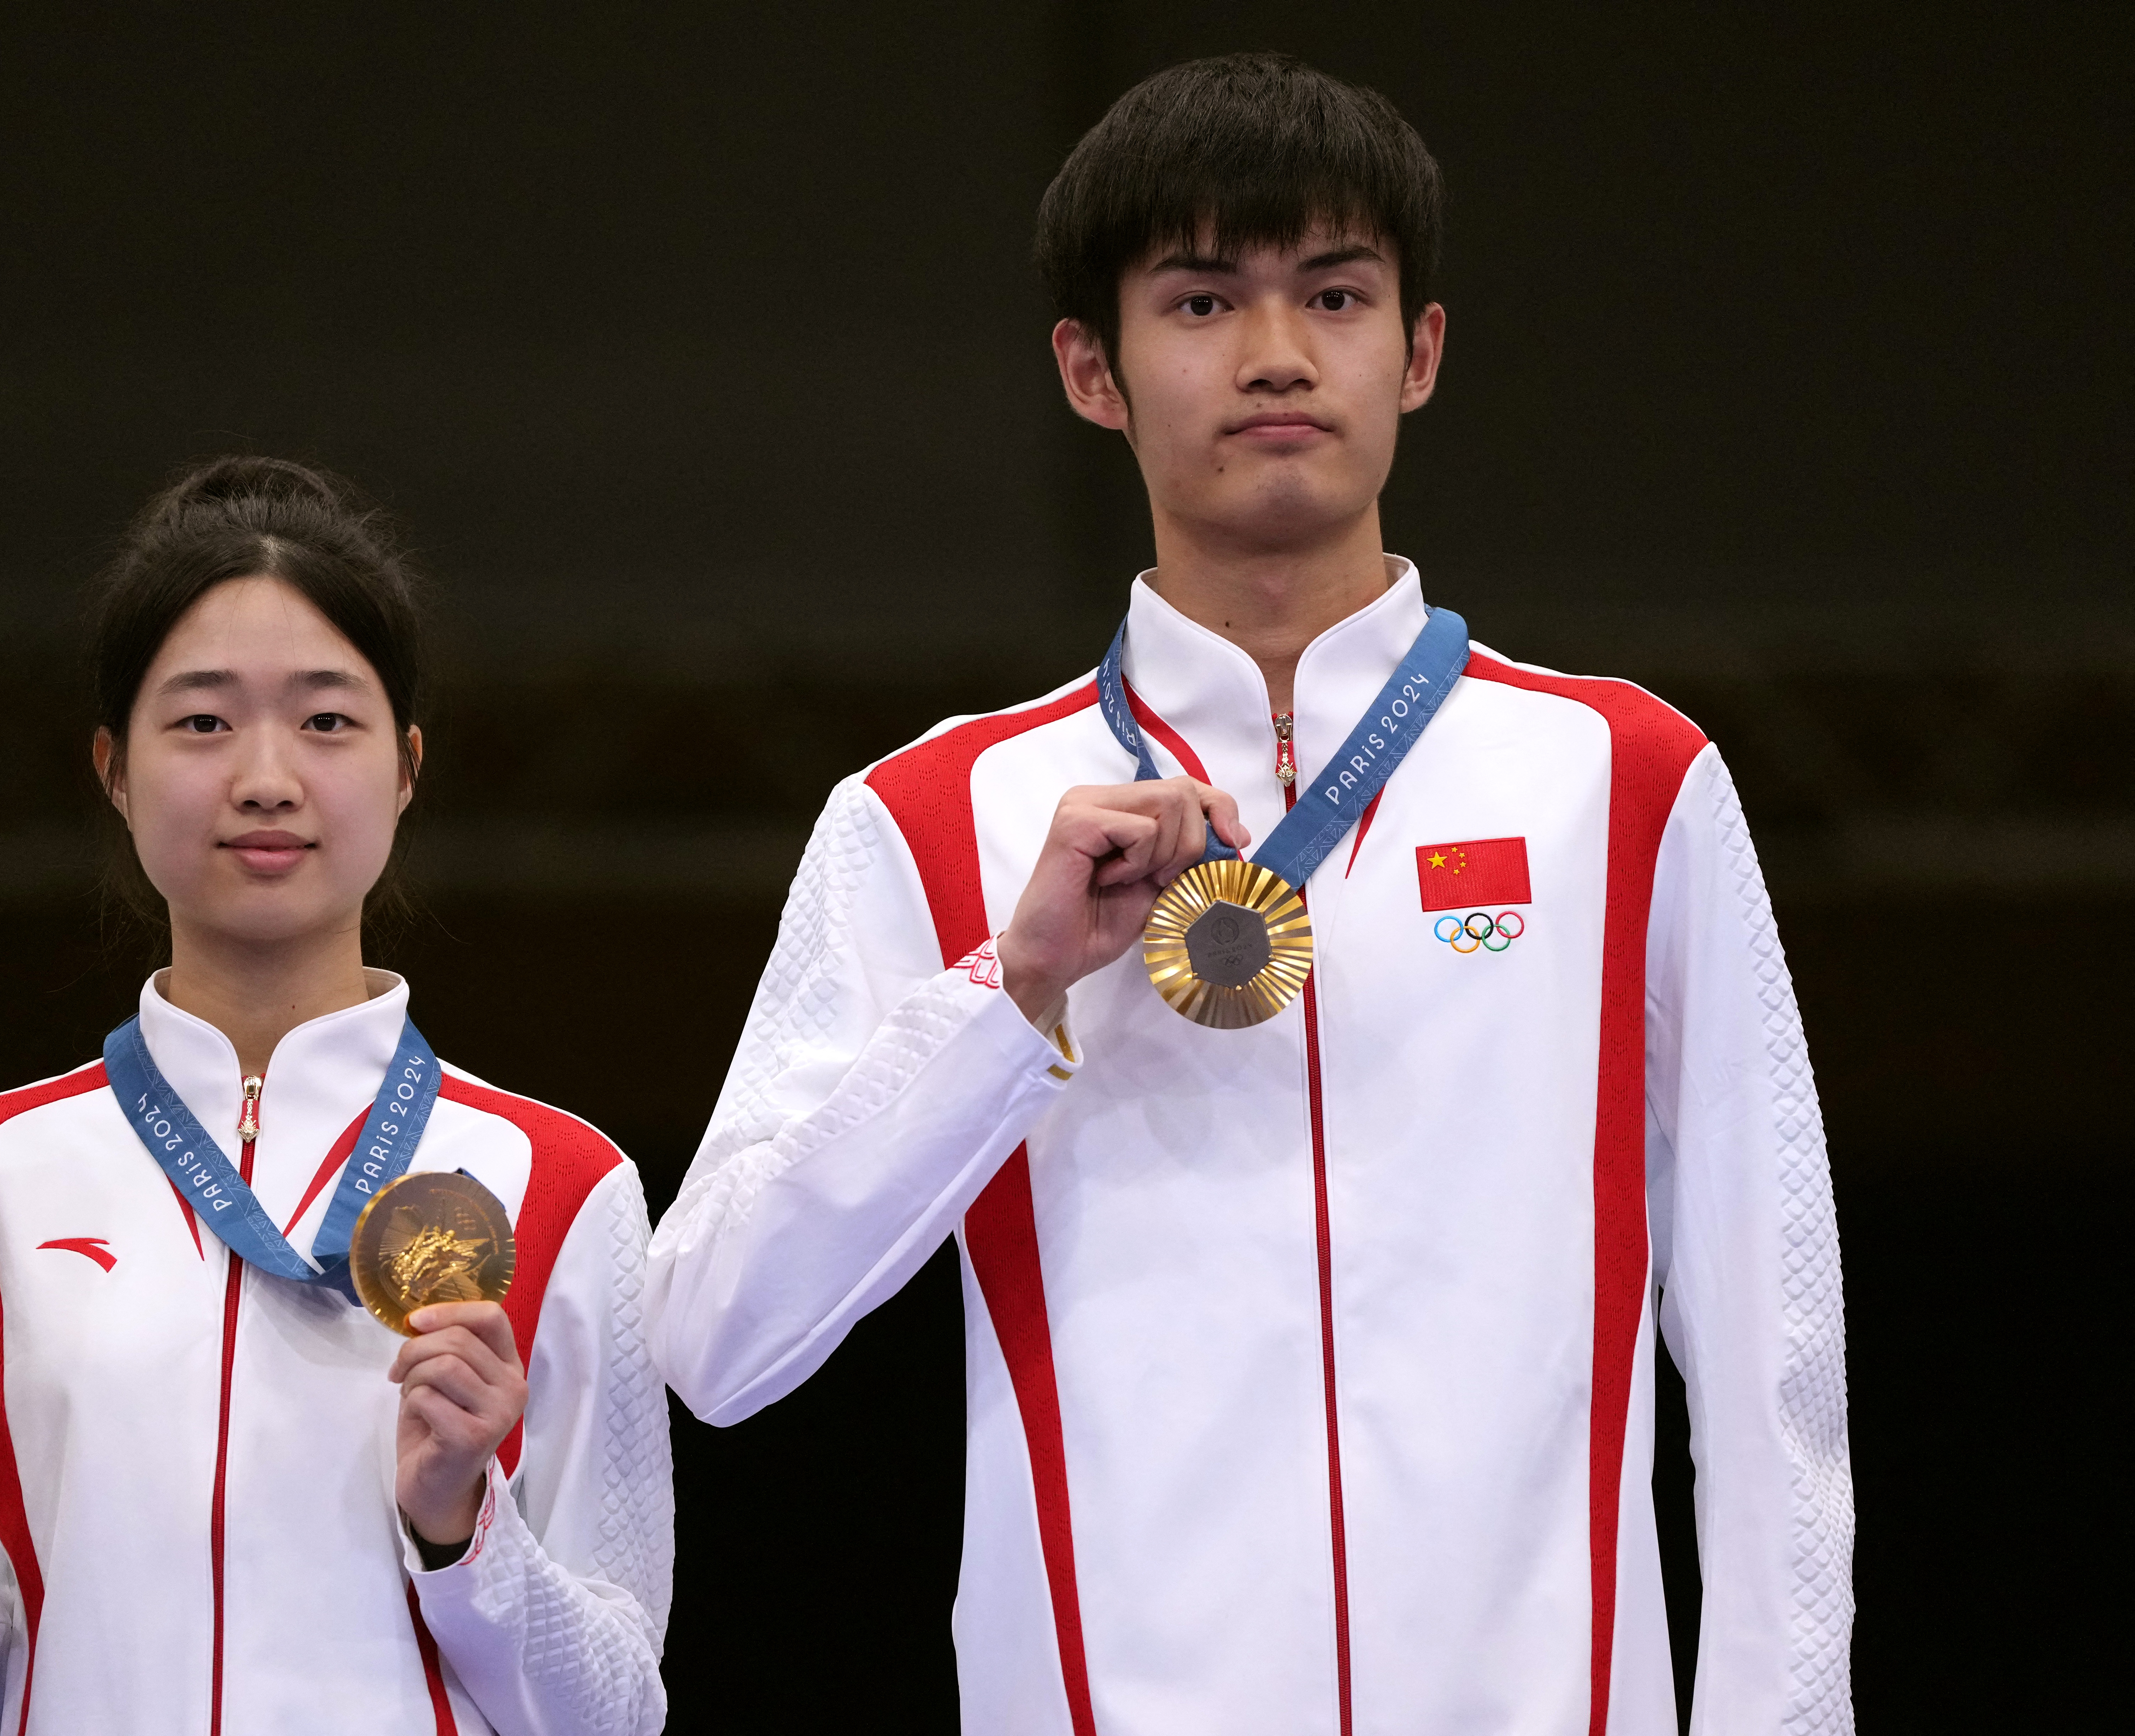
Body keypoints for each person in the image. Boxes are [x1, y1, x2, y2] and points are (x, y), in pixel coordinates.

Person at [647, 52, 1850, 1736]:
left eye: (1337, 294)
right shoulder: (935, 820)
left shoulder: (1625, 785)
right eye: (1203, 299)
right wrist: (1012, 989)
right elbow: (713, 1333)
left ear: (1420, 350)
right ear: (1092, 370)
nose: (1278, 355)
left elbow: (1773, 1364)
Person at [0, 457, 672, 1736]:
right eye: (201, 722)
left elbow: (620, 1713)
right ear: (113, 769)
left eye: (326, 720)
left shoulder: (564, 1185)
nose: (265, 777)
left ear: (407, 767)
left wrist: (464, 1529)